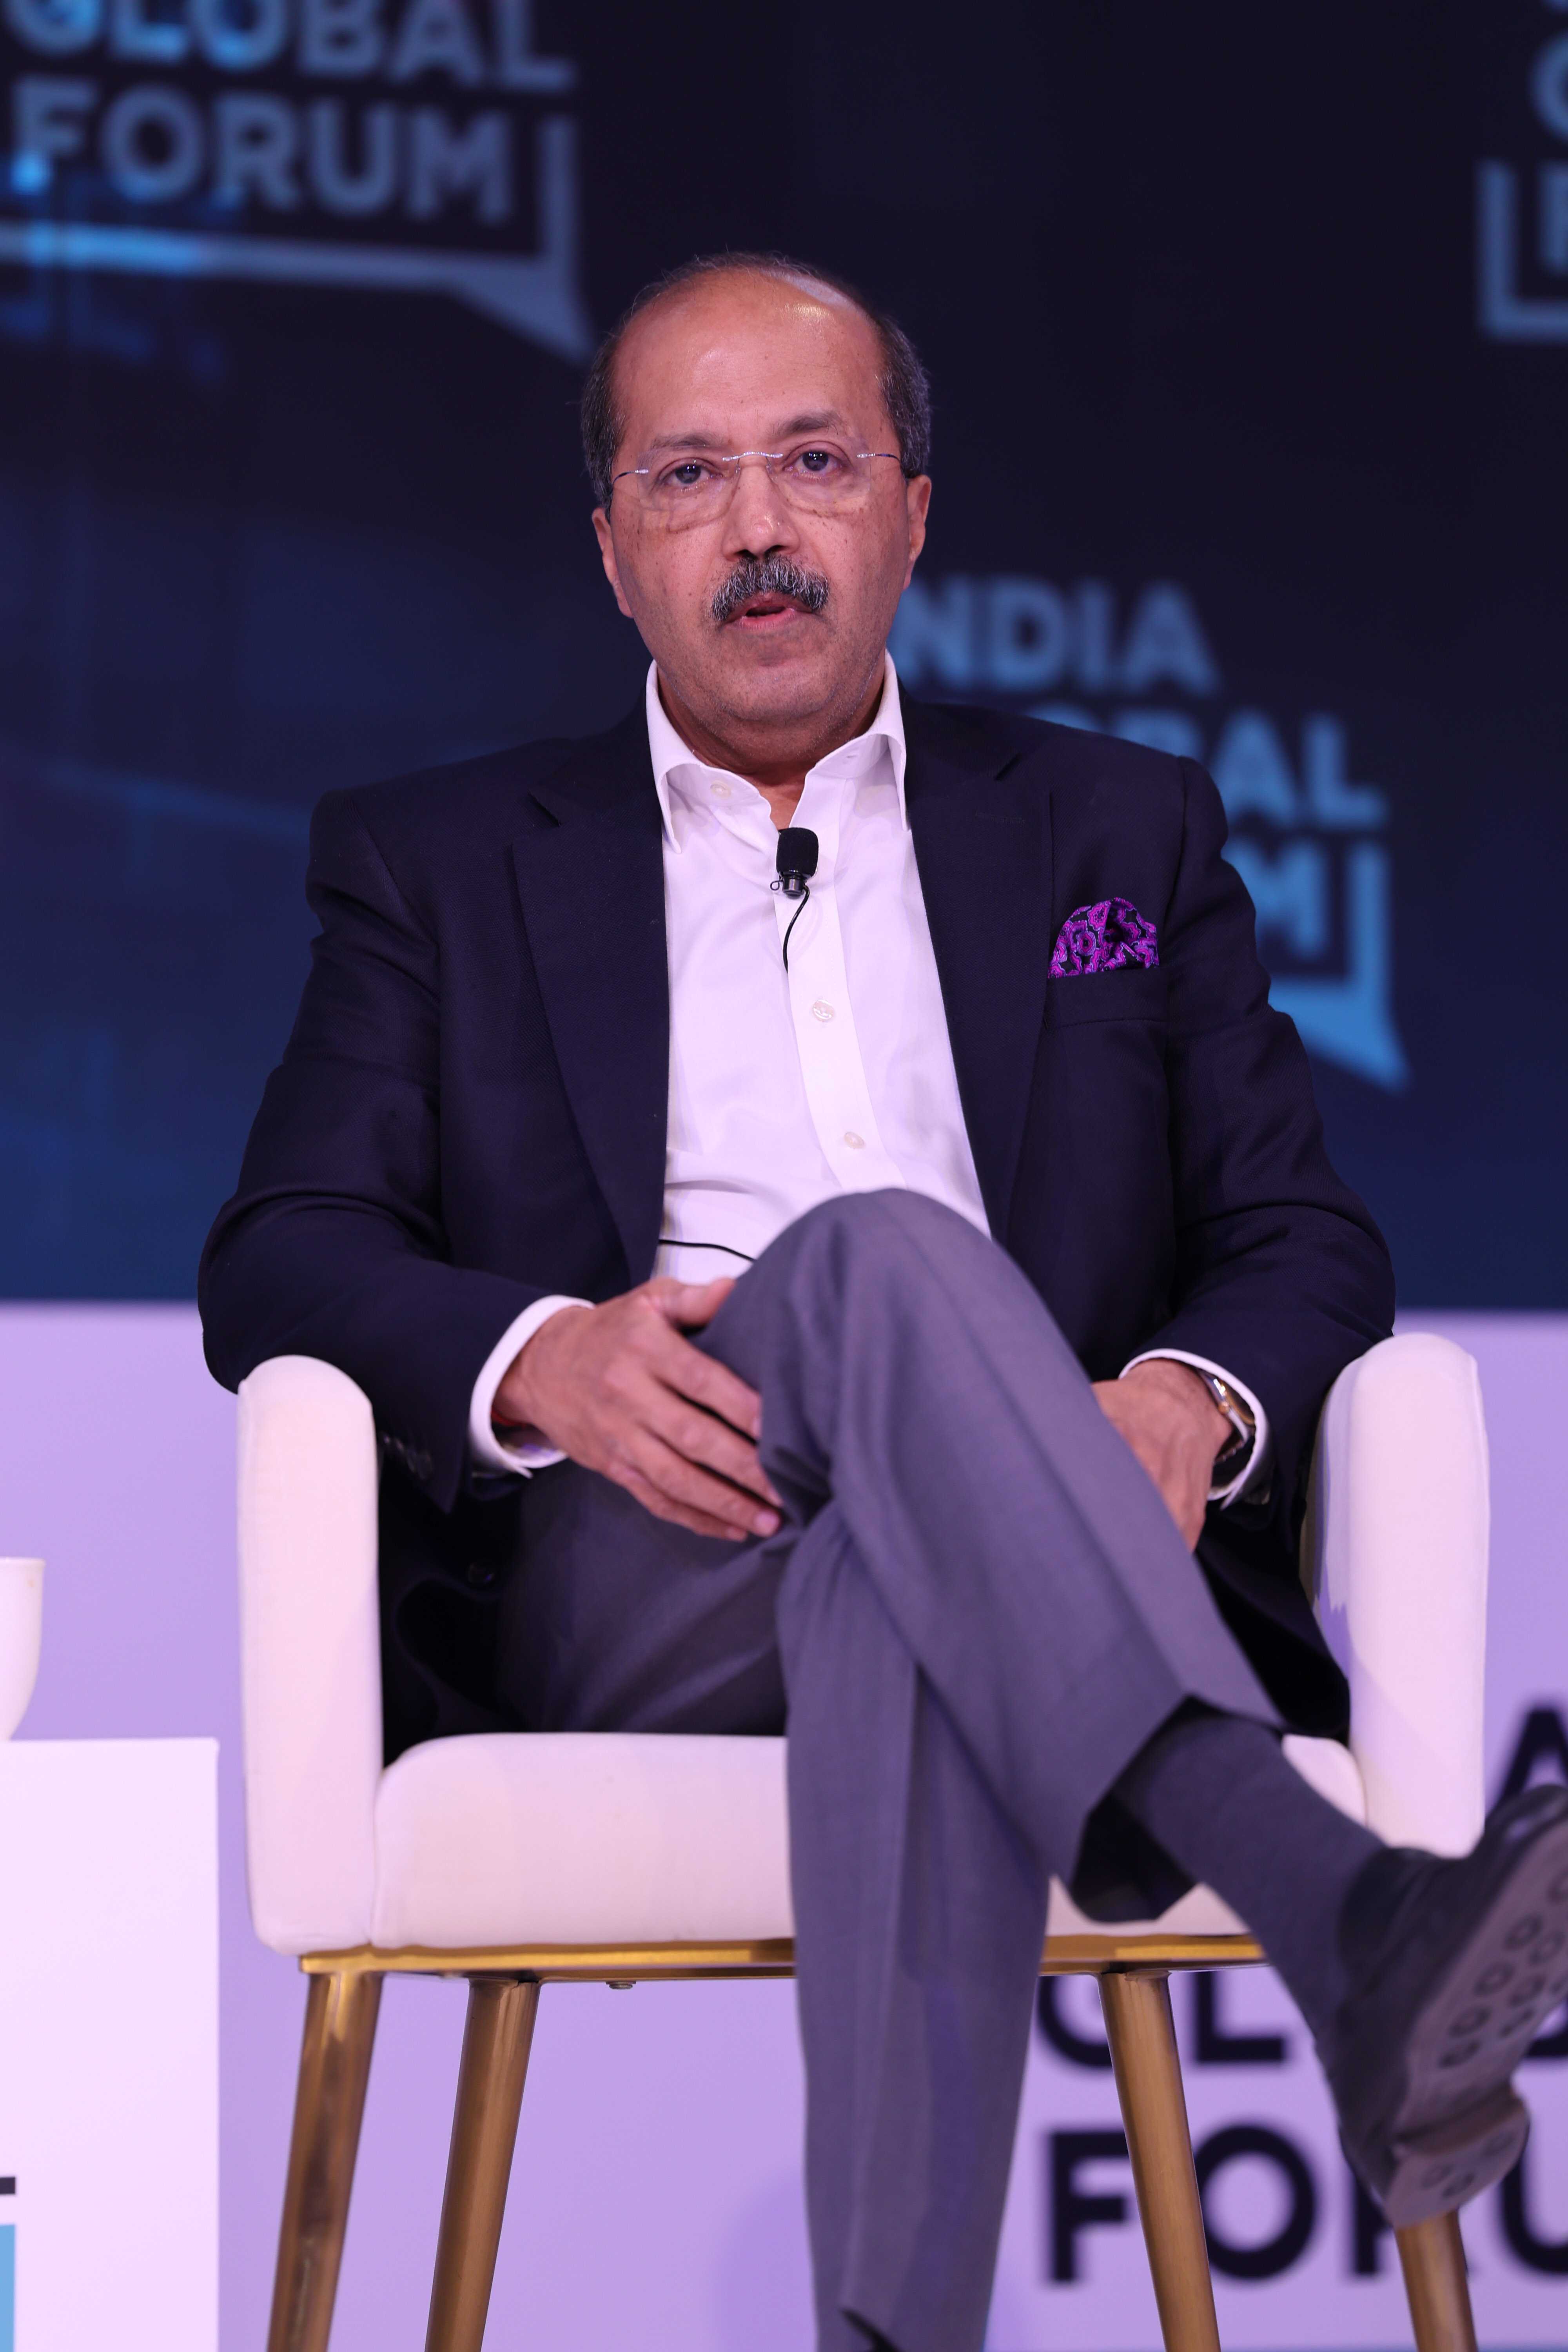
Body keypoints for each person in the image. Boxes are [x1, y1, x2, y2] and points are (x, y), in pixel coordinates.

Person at [200, 253, 1568, 2352]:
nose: (757, 527)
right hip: (637, 1560)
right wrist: (543, 1360)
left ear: (913, 514)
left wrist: (1181, 1399)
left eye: (815, 463)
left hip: (1020, 1537)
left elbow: (1304, 1235)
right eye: (688, 477)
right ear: (613, 550)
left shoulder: (1117, 828)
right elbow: (281, 1248)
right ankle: (1339, 1909)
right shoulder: (441, 860)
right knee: (881, 1252)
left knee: (899, 1582)